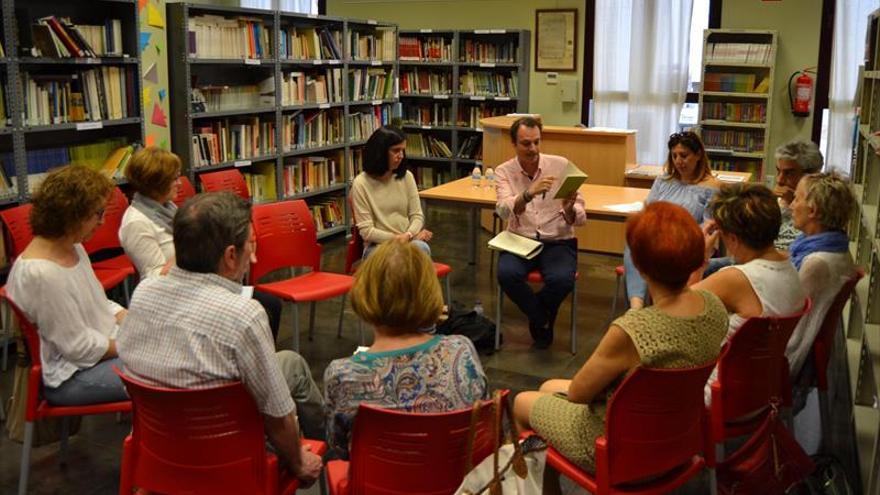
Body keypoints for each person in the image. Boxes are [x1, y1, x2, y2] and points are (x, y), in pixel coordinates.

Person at [118, 192, 324, 485]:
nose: (252, 257)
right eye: (249, 246)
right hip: (229, 460)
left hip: (160, 454)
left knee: (289, 363)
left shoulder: (144, 292)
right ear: (230, 256)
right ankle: (329, 452)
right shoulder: (244, 314)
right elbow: (278, 417)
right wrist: (298, 463)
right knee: (293, 375)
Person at [512, 202, 727, 474]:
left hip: (613, 447)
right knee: (548, 388)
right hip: (679, 435)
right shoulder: (713, 306)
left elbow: (579, 394)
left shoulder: (633, 330)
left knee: (521, 403)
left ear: (637, 264)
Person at [323, 240, 487, 459]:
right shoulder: (462, 351)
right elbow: (484, 427)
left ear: (365, 293)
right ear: (429, 292)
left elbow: (339, 448)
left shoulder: (342, 375)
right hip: (458, 484)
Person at [119, 147, 282, 338]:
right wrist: (188, 249)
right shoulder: (136, 223)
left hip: (201, 282)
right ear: (156, 183)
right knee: (264, 307)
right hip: (180, 296)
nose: (180, 184)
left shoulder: (167, 208)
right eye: (174, 179)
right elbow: (153, 279)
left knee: (270, 306)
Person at [6, 165, 128, 405]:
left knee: (169, 351)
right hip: (70, 376)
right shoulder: (42, 274)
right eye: (97, 214)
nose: (103, 221)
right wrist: (132, 345)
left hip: (95, 353)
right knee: (165, 368)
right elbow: (78, 348)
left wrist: (129, 317)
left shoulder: (73, 246)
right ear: (72, 215)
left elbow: (97, 302)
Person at [693, 183, 807, 401]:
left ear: (733, 239)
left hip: (718, 395)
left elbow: (673, 310)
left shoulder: (736, 278)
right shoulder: (789, 266)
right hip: (760, 393)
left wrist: (702, 255)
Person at [494, 116, 586, 348]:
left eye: (537, 142)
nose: (533, 149)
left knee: (562, 279)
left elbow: (581, 214)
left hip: (557, 239)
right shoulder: (504, 171)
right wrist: (527, 194)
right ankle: (542, 318)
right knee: (506, 274)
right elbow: (503, 211)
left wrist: (569, 210)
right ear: (513, 144)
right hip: (519, 239)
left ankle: (537, 316)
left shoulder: (561, 165)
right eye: (526, 143)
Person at [624, 130, 721, 309]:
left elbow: (709, 228)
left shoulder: (711, 188)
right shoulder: (663, 181)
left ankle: (656, 308)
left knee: (656, 256)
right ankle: (636, 305)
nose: (678, 161)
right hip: (657, 237)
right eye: (674, 156)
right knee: (634, 243)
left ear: (698, 155)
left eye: (684, 156)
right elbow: (648, 210)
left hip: (686, 244)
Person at [786, 172, 857, 379]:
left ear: (813, 210)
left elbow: (793, 335)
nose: (791, 205)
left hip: (784, 365)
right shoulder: (835, 246)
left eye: (797, 199)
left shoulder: (816, 264)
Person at [350, 126, 432, 258]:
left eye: (403, 151)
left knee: (421, 248)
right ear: (380, 152)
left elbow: (417, 216)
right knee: (402, 257)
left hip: (407, 240)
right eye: (396, 151)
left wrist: (408, 235)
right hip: (377, 246)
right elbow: (367, 231)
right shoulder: (361, 184)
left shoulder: (407, 177)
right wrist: (398, 239)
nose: (401, 156)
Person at [773, 140, 824, 250]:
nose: (779, 180)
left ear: (811, 174)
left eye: (788, 173)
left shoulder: (822, 207)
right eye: (778, 172)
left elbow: (787, 246)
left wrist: (792, 204)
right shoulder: (779, 200)